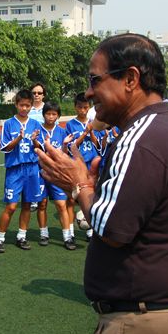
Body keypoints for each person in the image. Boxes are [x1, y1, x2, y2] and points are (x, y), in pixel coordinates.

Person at [36, 33, 168, 334]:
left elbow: (112, 229)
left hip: (146, 323)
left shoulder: (141, 138)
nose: (89, 93)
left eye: (95, 80)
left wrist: (77, 185)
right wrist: (93, 185)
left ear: (130, 78)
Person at [0, 90, 43, 253]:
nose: (24, 108)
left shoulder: (36, 124)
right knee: (11, 206)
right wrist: (18, 138)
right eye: (21, 105)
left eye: (27, 105)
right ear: (16, 105)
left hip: (31, 168)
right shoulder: (9, 123)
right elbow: (5, 148)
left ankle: (22, 236)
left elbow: (39, 148)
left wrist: (35, 140)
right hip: (15, 169)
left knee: (28, 204)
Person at [37, 101, 76, 250]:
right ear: (44, 114)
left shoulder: (62, 132)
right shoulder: (38, 130)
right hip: (40, 172)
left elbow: (64, 155)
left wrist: (65, 145)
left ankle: (67, 237)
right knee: (42, 204)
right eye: (48, 113)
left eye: (54, 114)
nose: (51, 117)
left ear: (58, 116)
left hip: (57, 173)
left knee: (61, 204)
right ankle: (44, 234)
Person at [65, 93, 100, 241]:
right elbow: (70, 147)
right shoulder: (70, 124)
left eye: (85, 107)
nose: (83, 110)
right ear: (75, 107)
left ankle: (90, 231)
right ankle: (70, 232)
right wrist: (84, 133)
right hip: (78, 166)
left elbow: (98, 145)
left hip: (91, 166)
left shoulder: (94, 123)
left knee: (92, 197)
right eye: (80, 107)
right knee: (73, 199)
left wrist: (90, 132)